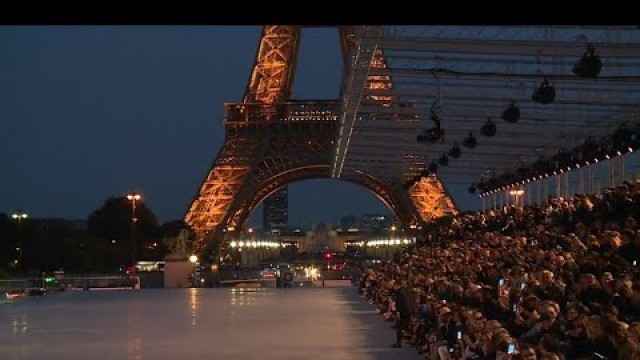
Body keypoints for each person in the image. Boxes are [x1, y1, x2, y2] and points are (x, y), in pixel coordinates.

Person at [391, 280, 416, 348]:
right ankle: (413, 340)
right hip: (410, 311)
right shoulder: (407, 291)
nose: (393, 287)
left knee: (399, 328)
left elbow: (400, 303)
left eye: (394, 285)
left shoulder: (400, 292)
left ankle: (398, 343)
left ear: (397, 285)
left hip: (403, 312)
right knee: (407, 326)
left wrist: (398, 312)